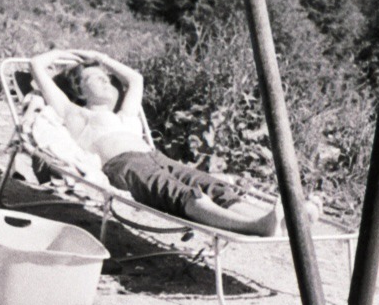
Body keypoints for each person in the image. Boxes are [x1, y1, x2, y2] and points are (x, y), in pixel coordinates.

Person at [29, 49, 304, 237]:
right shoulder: (76, 113)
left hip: (155, 156)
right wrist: (67, 56)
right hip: (123, 165)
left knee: (210, 185)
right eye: (94, 78)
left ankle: (279, 221)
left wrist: (101, 58)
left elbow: (136, 79)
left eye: (106, 78)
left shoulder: (125, 116)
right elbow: (37, 65)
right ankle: (253, 226)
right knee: (184, 196)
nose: (104, 80)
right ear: (79, 90)